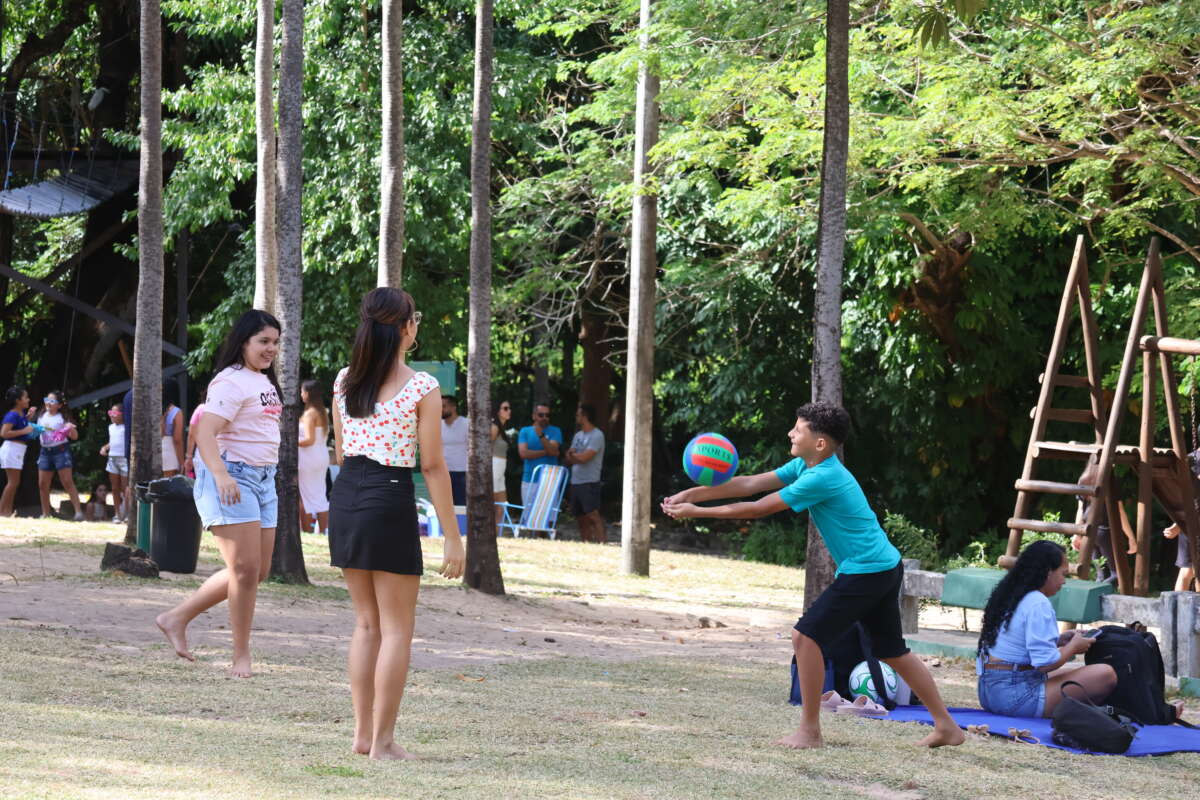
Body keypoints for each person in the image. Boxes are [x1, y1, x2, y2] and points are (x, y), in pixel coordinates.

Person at [662, 402, 964, 749]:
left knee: (805, 638)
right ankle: (946, 727)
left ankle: (810, 732)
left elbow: (760, 507)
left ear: (820, 443)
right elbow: (749, 484)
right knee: (891, 650)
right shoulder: (807, 465)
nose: (791, 433)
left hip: (867, 571)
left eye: (798, 429)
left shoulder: (823, 476)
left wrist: (696, 511)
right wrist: (690, 493)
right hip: (882, 566)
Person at [329, 287, 464, 760]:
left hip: (347, 494)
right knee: (397, 629)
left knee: (367, 624)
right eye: (416, 318)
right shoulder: (422, 386)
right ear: (404, 327)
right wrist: (452, 536)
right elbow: (432, 466)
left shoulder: (345, 381)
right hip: (388, 497)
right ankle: (383, 742)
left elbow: (343, 452)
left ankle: (363, 736)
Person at [155, 310, 284, 678]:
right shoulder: (229, 382)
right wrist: (222, 475)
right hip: (232, 477)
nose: (270, 348)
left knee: (256, 570)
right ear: (243, 341)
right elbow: (206, 433)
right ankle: (240, 657)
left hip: (263, 479)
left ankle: (175, 618)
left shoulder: (261, 381)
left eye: (275, 342)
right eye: (263, 341)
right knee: (244, 570)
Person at [976, 540, 1123, 718]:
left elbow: (1018, 644)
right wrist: (1073, 648)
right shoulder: (1038, 602)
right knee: (1105, 674)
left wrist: (1059, 641)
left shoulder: (1011, 594)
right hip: (1016, 698)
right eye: (1063, 574)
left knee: (1076, 671)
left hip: (989, 693)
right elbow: (1045, 665)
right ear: (1047, 572)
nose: (1064, 581)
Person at [37, 390, 83, 521]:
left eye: (52, 401)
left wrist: (70, 428)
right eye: (47, 400)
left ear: (59, 405)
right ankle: (46, 513)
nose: (48, 403)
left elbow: (74, 436)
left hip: (61, 451)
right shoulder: (41, 415)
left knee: (67, 482)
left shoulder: (62, 418)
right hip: (45, 451)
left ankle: (78, 512)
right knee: (42, 484)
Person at [564, 403, 606, 543]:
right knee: (580, 517)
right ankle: (586, 543)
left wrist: (574, 456)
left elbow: (585, 458)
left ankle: (602, 543)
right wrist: (573, 457)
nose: (576, 417)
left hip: (589, 481)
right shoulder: (578, 436)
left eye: (578, 414)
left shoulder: (597, 435)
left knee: (592, 515)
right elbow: (568, 458)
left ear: (585, 416)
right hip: (575, 481)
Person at [298, 379, 331, 534]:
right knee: (319, 495)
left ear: (308, 394)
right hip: (321, 456)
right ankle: (324, 531)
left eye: (303, 391)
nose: (301, 394)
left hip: (308, 458)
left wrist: (292, 443)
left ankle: (306, 532)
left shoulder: (310, 414)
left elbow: (309, 440)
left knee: (305, 496)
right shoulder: (322, 412)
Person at [0, 386, 39, 517]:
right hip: (12, 449)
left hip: (17, 450)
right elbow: (4, 433)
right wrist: (24, 431)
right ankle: (2, 512)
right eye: (25, 397)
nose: (28, 399)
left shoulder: (21, 414)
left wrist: (28, 417)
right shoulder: (12, 414)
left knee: (14, 482)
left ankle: (7, 512)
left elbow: (20, 425)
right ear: (18, 400)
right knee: (12, 482)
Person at [517, 402, 561, 508]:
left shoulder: (555, 431)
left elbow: (553, 450)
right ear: (534, 416)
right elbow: (523, 454)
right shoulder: (525, 431)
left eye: (547, 415)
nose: (544, 418)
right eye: (541, 415)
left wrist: (541, 435)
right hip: (530, 479)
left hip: (550, 480)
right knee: (528, 517)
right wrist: (547, 452)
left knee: (549, 518)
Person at [99, 403, 127, 521]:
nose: (112, 416)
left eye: (115, 413)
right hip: (112, 459)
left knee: (126, 489)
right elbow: (113, 442)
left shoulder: (127, 427)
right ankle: (117, 514)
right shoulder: (111, 427)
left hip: (124, 459)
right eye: (110, 413)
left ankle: (127, 513)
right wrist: (105, 448)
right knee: (115, 488)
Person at [440, 395, 469, 506]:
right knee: (444, 505)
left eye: (444, 406)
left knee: (461, 506)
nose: (441, 409)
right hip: (443, 473)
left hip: (462, 472)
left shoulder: (466, 423)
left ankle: (461, 524)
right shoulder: (437, 424)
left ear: (453, 407)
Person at [491, 399, 512, 529]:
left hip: (500, 469)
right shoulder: (494, 427)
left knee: (501, 506)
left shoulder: (502, 428)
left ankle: (497, 534)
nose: (509, 411)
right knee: (492, 505)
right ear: (497, 411)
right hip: (494, 466)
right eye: (505, 408)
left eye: (509, 408)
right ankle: (489, 533)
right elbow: (485, 448)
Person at [183, 387, 208, 479]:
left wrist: (189, 456)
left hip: (201, 453)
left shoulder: (201, 409)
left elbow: (191, 434)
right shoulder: (224, 409)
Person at [161, 389, 185, 477]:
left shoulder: (155, 409)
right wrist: (182, 462)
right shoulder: (176, 411)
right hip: (169, 450)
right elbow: (177, 439)